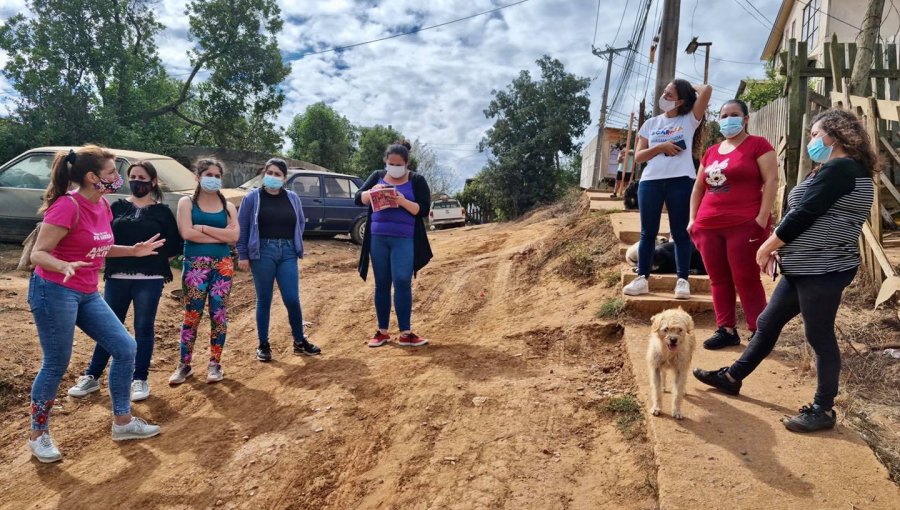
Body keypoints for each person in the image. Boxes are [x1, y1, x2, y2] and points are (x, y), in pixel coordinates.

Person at [694, 108, 876, 433]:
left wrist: (768, 246)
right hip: (805, 265)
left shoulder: (843, 169)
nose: (811, 140)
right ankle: (733, 376)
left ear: (832, 136)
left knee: (818, 334)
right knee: (767, 322)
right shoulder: (832, 169)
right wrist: (786, 251)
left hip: (825, 267)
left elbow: (806, 212)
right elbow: (808, 213)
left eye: (814, 134)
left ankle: (823, 409)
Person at [27, 146, 165, 463]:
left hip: (87, 291)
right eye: (113, 173)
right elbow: (39, 253)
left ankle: (123, 422)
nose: (119, 178)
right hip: (53, 290)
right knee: (57, 362)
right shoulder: (66, 206)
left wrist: (133, 251)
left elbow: (98, 247)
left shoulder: (101, 205)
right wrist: (60, 265)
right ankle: (38, 434)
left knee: (125, 347)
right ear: (93, 177)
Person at [67, 161, 183, 402]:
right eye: (133, 176)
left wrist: (152, 262)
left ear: (152, 182)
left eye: (142, 177)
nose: (137, 181)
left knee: (143, 327)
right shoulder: (115, 207)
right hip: (117, 276)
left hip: (149, 278)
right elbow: (104, 238)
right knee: (109, 328)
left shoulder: (162, 211)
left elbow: (173, 245)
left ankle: (139, 379)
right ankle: (92, 375)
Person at [688, 100, 778, 350]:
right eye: (724, 115)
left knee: (746, 278)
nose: (728, 119)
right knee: (718, 279)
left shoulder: (759, 145)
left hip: (744, 223)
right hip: (708, 226)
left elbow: (771, 181)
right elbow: (698, 187)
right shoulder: (712, 151)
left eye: (734, 115)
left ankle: (760, 333)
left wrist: (761, 218)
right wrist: (692, 220)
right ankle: (726, 329)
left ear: (746, 118)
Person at [623, 79, 712, 299]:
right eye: (664, 93)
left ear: (681, 101)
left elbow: (707, 90)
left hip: (681, 180)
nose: (664, 97)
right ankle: (642, 278)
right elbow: (639, 157)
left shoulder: (689, 119)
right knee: (647, 233)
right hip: (650, 181)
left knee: (681, 234)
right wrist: (661, 147)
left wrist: (687, 86)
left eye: (670, 95)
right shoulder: (651, 124)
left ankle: (682, 281)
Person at [237, 158, 320, 362]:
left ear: (284, 179)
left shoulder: (292, 198)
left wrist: (295, 244)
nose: (273, 177)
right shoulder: (253, 198)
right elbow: (243, 227)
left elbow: (299, 222)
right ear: (264, 174)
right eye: (270, 173)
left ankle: (299, 341)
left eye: (278, 174)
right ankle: (263, 344)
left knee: (292, 298)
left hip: (288, 252)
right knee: (264, 299)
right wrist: (243, 254)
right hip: (263, 251)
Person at [355, 142, 433, 348]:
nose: (394, 168)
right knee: (381, 283)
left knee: (401, 281)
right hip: (378, 238)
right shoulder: (376, 176)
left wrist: (401, 200)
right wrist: (372, 192)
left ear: (407, 164)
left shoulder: (417, 180)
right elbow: (358, 198)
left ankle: (406, 333)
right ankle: (382, 332)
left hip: (404, 239)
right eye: (391, 164)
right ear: (385, 162)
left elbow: (423, 210)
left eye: (399, 165)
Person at [169, 158, 239, 386]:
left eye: (218, 175)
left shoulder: (227, 206)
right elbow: (187, 234)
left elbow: (234, 237)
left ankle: (214, 364)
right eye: (209, 174)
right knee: (192, 315)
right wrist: (219, 233)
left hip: (223, 265)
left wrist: (203, 228)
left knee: (218, 315)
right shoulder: (186, 203)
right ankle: (184, 364)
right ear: (198, 177)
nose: (214, 179)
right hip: (195, 266)